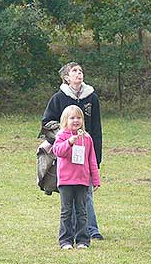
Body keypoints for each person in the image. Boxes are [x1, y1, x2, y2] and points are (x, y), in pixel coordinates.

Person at [40, 61, 104, 240]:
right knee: (71, 197)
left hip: (86, 153)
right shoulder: (58, 98)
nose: (78, 73)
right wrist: (62, 138)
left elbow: (97, 130)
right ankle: (76, 231)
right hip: (66, 155)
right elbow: (46, 123)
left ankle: (92, 230)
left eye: (80, 70)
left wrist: (96, 158)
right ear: (66, 77)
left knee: (86, 193)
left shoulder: (92, 98)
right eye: (74, 71)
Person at [53, 105, 100, 249]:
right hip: (66, 181)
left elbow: (91, 160)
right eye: (72, 118)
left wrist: (95, 179)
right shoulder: (61, 136)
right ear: (65, 120)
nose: (75, 120)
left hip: (82, 180)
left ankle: (83, 240)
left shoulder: (87, 138)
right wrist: (69, 142)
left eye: (78, 118)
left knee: (82, 211)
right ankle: (65, 240)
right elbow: (57, 151)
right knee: (66, 211)